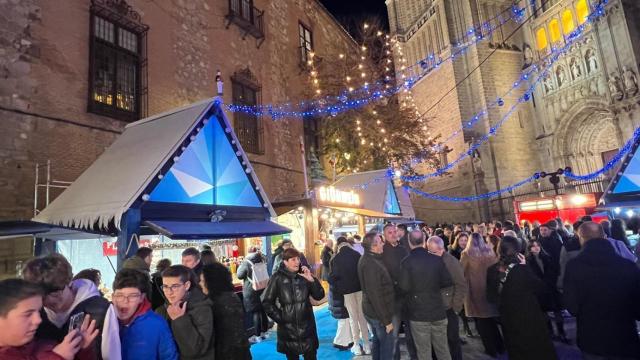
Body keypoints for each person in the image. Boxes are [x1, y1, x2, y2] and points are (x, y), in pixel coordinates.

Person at [564, 222, 640, 359]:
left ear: (581, 237)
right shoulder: (627, 266)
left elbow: (572, 307)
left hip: (592, 339)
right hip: (624, 337)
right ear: (604, 236)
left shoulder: (574, 267)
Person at [23, 254, 110, 358]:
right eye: (43, 296)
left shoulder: (100, 310)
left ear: (68, 283)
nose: (49, 300)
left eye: (55, 293)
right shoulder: (35, 317)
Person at [487, 236, 558, 360]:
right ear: (517, 249)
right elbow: (541, 288)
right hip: (529, 315)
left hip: (508, 317)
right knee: (537, 349)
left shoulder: (492, 270)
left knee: (517, 349)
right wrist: (525, 266)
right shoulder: (522, 269)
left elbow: (491, 297)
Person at [0, 278, 98, 360]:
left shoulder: (43, 345)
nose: (38, 320)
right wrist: (56, 357)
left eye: (38, 311)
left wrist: (80, 350)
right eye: (27, 314)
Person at [399, 231, 453, 360]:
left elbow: (404, 287)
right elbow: (447, 281)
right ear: (424, 241)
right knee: (443, 349)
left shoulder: (406, 262)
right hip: (437, 309)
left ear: (409, 242)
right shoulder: (436, 259)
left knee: (423, 352)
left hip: (418, 313)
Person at [262, 248, 325, 360]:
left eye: (298, 259)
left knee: (311, 356)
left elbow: (319, 296)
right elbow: (267, 302)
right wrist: (281, 318)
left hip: (307, 328)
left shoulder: (304, 275)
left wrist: (311, 280)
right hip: (288, 330)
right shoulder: (277, 278)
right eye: (293, 259)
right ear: (285, 262)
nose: (297, 262)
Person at [112, 269, 178, 359]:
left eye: (133, 296)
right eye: (119, 295)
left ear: (142, 298)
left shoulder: (157, 324)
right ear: (112, 297)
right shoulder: (104, 322)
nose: (125, 301)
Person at [156, 265, 215, 360]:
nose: (169, 292)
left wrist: (179, 320)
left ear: (187, 285)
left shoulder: (202, 308)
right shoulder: (161, 310)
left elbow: (196, 351)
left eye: (175, 286)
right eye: (165, 287)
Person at [460, 233, 504, 357]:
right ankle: (500, 346)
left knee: (481, 323)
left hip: (475, 292)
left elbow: (460, 271)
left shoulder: (466, 254)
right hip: (490, 290)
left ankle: (491, 349)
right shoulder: (490, 252)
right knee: (491, 320)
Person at [428, 235, 468, 360]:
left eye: (432, 252)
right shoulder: (434, 260)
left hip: (449, 307)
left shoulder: (451, 262)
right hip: (437, 307)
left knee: (452, 339)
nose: (429, 254)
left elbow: (461, 285)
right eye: (428, 251)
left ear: (441, 249)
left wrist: (456, 307)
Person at [200, 263, 252, 360]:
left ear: (212, 282)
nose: (200, 284)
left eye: (203, 281)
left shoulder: (216, 302)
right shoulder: (230, 295)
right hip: (240, 349)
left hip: (229, 353)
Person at [381, 223, 417, 360]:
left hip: (407, 297)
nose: (393, 234)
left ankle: (414, 357)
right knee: (393, 335)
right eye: (389, 232)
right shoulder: (382, 251)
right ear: (384, 235)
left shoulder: (403, 249)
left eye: (394, 231)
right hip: (393, 300)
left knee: (411, 333)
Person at [358, 232, 396, 360]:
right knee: (386, 346)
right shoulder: (371, 264)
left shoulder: (371, 258)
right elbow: (375, 295)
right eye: (380, 242)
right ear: (374, 246)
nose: (383, 244)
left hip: (373, 311)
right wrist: (386, 321)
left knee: (378, 342)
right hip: (378, 314)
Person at [331, 236, 370, 355]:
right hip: (359, 290)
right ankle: (367, 345)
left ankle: (357, 345)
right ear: (347, 243)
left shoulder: (336, 259)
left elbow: (333, 277)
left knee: (353, 318)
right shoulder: (356, 254)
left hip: (347, 292)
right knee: (362, 317)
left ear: (338, 245)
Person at [526, 239, 567, 342]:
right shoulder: (528, 261)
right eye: (533, 246)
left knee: (557, 311)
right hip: (540, 290)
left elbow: (554, 271)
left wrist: (550, 282)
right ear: (529, 249)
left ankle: (561, 332)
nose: (536, 247)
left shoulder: (547, 257)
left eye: (537, 245)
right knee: (544, 313)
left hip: (551, 288)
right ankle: (550, 332)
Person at [236, 246, 270, 342]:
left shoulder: (247, 262)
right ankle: (266, 332)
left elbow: (239, 275)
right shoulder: (262, 259)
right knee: (262, 310)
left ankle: (257, 336)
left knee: (256, 312)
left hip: (251, 290)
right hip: (262, 287)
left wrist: (240, 265)